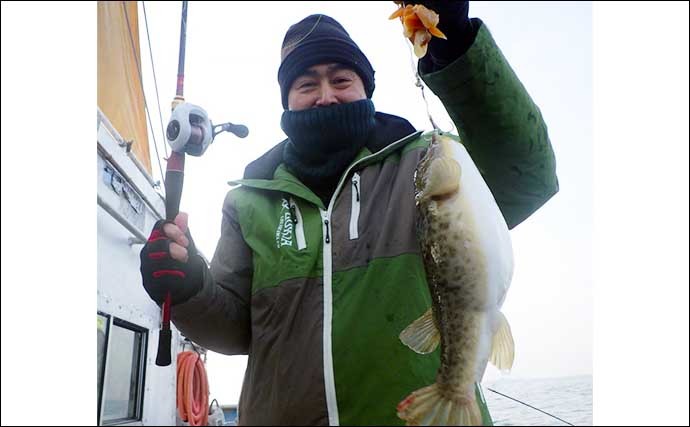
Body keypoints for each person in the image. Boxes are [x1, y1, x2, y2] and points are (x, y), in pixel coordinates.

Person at [140, 1, 559, 425]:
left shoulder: (422, 164)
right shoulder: (249, 200)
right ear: (286, 98)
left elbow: (526, 175)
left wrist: (455, 44)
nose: (326, 96)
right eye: (306, 84)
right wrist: (190, 288)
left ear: (366, 89)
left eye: (342, 79)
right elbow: (234, 331)